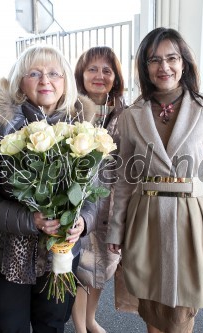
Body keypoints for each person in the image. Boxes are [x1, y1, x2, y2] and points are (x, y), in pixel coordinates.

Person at [0, 44, 99, 333]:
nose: (45, 80)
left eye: (54, 73)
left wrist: (84, 221)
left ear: (66, 82)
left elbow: (93, 195)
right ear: (20, 82)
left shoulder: (82, 130)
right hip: (4, 257)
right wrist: (30, 221)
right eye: (34, 73)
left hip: (60, 257)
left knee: (51, 325)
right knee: (8, 327)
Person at [106, 27, 203, 333]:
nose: (164, 67)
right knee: (151, 306)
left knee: (180, 312)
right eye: (154, 60)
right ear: (145, 67)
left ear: (184, 62)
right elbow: (125, 180)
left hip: (192, 221)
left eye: (172, 58)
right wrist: (116, 229)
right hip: (145, 219)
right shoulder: (131, 115)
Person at [71, 46, 126, 333]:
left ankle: (90, 319)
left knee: (103, 266)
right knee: (81, 269)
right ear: (81, 73)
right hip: (77, 204)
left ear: (116, 77)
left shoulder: (126, 113)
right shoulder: (70, 110)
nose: (99, 75)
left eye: (107, 70)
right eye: (92, 69)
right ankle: (81, 327)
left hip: (113, 203)